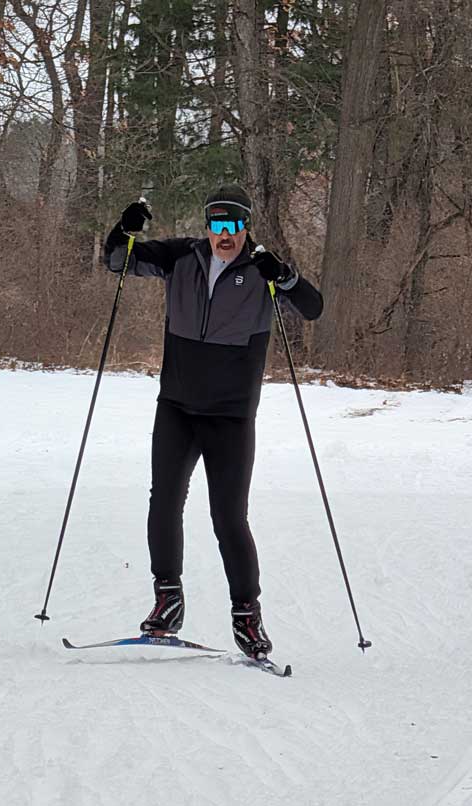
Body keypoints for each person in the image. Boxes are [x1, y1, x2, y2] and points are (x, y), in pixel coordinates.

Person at [103, 184, 323, 660]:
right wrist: (125, 227)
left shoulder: (262, 271)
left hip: (231, 416)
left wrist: (284, 277)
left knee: (228, 517)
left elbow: (312, 307)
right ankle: (168, 599)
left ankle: (246, 615)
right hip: (178, 407)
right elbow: (118, 260)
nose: (225, 235)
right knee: (163, 502)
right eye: (217, 224)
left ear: (246, 227)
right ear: (208, 226)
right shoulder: (181, 257)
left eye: (234, 225)